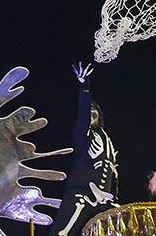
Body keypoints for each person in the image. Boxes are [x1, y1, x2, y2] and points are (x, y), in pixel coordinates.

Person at [50, 62, 118, 236]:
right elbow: (82, 116)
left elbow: (113, 173)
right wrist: (84, 88)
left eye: (93, 111)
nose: (90, 113)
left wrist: (113, 195)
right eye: (88, 110)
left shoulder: (107, 140)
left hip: (105, 199)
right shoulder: (83, 134)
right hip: (82, 194)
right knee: (62, 232)